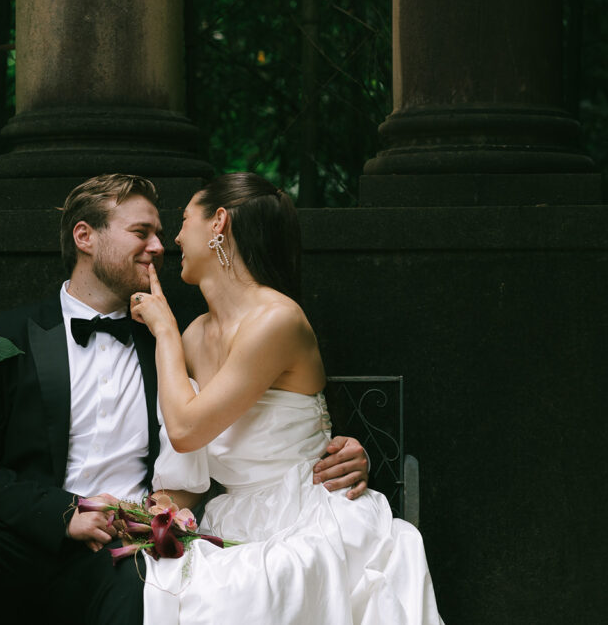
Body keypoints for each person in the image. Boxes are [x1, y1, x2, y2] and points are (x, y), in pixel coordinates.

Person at [0, 174, 370, 625]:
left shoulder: (171, 342)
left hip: (127, 545)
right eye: (141, 233)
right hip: (24, 530)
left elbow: (269, 412)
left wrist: (344, 449)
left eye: (162, 231)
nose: (160, 246)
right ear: (85, 237)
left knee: (150, 592)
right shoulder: (8, 337)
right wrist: (62, 513)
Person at [128, 172, 444, 624]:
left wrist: (163, 332)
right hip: (232, 519)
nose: (174, 238)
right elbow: (191, 460)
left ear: (219, 222)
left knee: (261, 588)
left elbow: (184, 429)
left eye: (182, 220)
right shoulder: (195, 334)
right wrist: (143, 516)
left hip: (306, 513)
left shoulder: (276, 319)